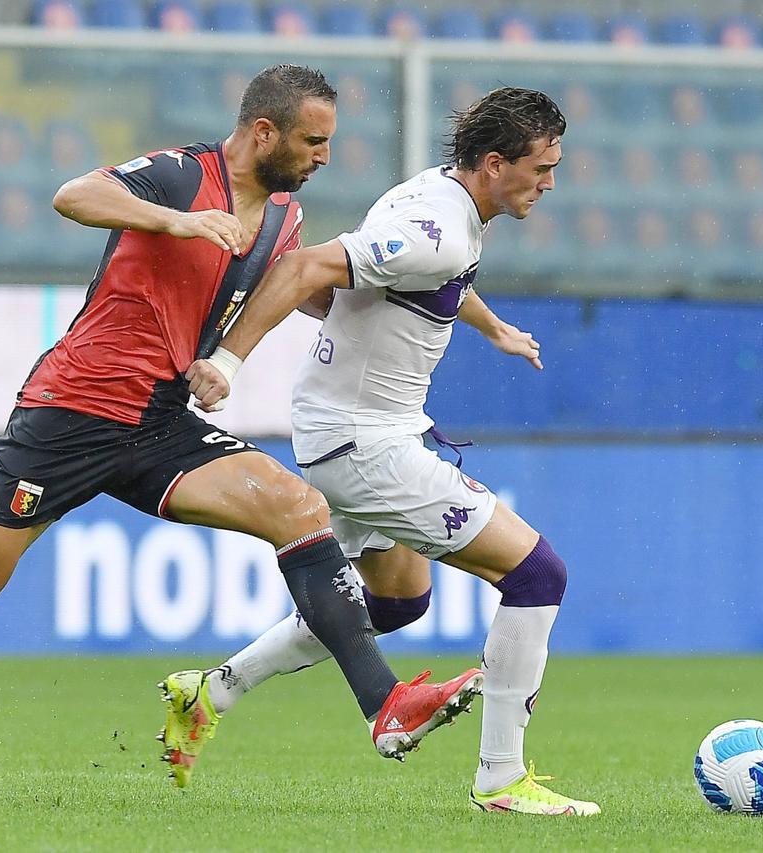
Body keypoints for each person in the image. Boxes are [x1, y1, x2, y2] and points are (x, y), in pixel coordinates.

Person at [0, 64, 481, 804]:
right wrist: (176, 220)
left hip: (159, 423)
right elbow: (75, 195)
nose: (324, 157)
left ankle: (385, 705)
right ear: (264, 132)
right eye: (313, 141)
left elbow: (300, 290)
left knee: (298, 508)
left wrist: (448, 309)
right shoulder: (183, 176)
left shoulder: (285, 220)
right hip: (71, 411)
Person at [169, 86, 600, 816]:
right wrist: (230, 363)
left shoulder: (441, 199)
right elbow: (305, 271)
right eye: (542, 167)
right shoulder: (440, 229)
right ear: (495, 163)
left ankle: (212, 689)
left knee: (398, 601)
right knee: (537, 573)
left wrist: (493, 327)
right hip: (366, 443)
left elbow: (432, 283)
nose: (550, 183)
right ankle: (501, 779)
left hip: (351, 430)